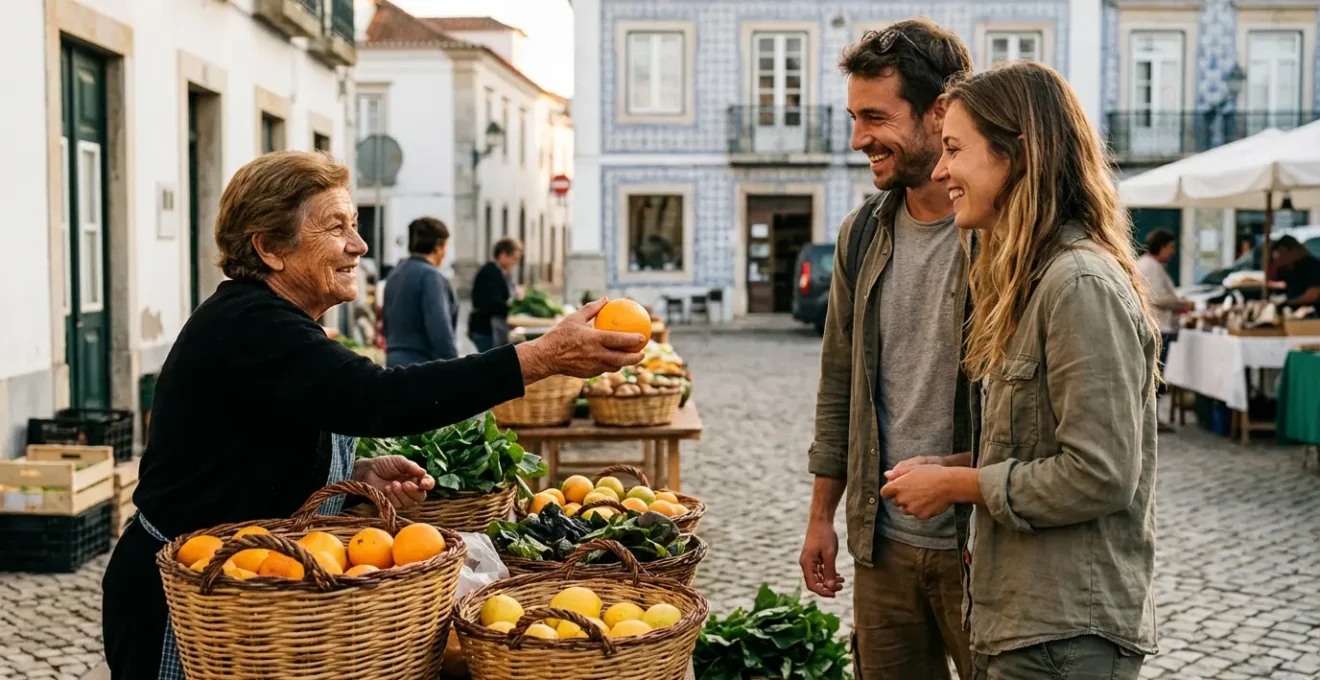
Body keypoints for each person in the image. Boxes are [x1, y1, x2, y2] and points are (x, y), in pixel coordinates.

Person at [101, 151, 645, 679]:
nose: (358, 245)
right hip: (186, 601)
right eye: (336, 227)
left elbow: (255, 441)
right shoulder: (252, 324)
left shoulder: (274, 324)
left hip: (249, 585)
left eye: (355, 225)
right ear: (269, 248)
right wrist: (543, 356)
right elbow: (378, 398)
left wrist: (349, 476)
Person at [882, 62, 1159, 679]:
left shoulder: (1079, 284)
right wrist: (954, 467)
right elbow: (1041, 446)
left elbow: (1101, 474)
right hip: (1026, 624)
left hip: (1066, 633)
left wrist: (961, 487)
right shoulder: (1032, 281)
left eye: (955, 149)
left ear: (1017, 153)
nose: (940, 170)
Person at [799, 19, 974, 680]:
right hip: (884, 546)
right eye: (852, 116)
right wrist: (823, 518)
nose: (857, 139)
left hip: (982, 546)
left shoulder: (1001, 232)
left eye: (875, 117)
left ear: (939, 113)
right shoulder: (863, 233)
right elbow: (838, 381)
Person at [382, 217, 459, 366]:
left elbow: (385, 322)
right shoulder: (430, 276)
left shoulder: (395, 274)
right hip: (422, 365)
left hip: (393, 363)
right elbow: (440, 329)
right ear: (438, 247)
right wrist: (455, 367)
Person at [1136, 229, 1193, 427]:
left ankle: (1151, 418)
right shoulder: (1150, 267)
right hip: (1158, 327)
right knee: (1155, 375)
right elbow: (1156, 297)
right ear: (1161, 246)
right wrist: (1181, 304)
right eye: (1170, 247)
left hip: (1159, 326)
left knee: (1154, 375)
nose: (1172, 252)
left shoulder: (1150, 265)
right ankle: (1151, 420)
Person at [468, 237, 523, 353]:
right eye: (514, 259)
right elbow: (492, 303)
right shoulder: (490, 272)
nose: (515, 263)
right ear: (503, 255)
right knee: (489, 366)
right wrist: (514, 310)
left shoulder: (500, 272)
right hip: (485, 329)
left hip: (491, 328)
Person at [1273, 235, 1320, 314]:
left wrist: (1289, 302)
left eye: (1283, 252)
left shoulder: (1313, 266)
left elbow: (1313, 294)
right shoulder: (1294, 267)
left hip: (1312, 313)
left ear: (1294, 250)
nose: (1282, 256)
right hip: (1295, 312)